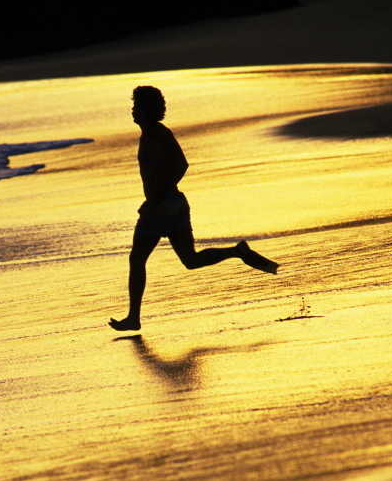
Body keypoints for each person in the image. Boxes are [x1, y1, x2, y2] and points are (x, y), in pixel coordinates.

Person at [109, 85, 279, 331]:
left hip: (160, 209)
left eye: (136, 107)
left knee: (137, 259)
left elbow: (161, 174)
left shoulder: (150, 137)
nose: (132, 112)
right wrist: (168, 196)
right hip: (177, 205)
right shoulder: (162, 132)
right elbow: (181, 165)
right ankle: (236, 251)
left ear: (145, 111)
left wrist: (153, 205)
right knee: (191, 260)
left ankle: (134, 318)